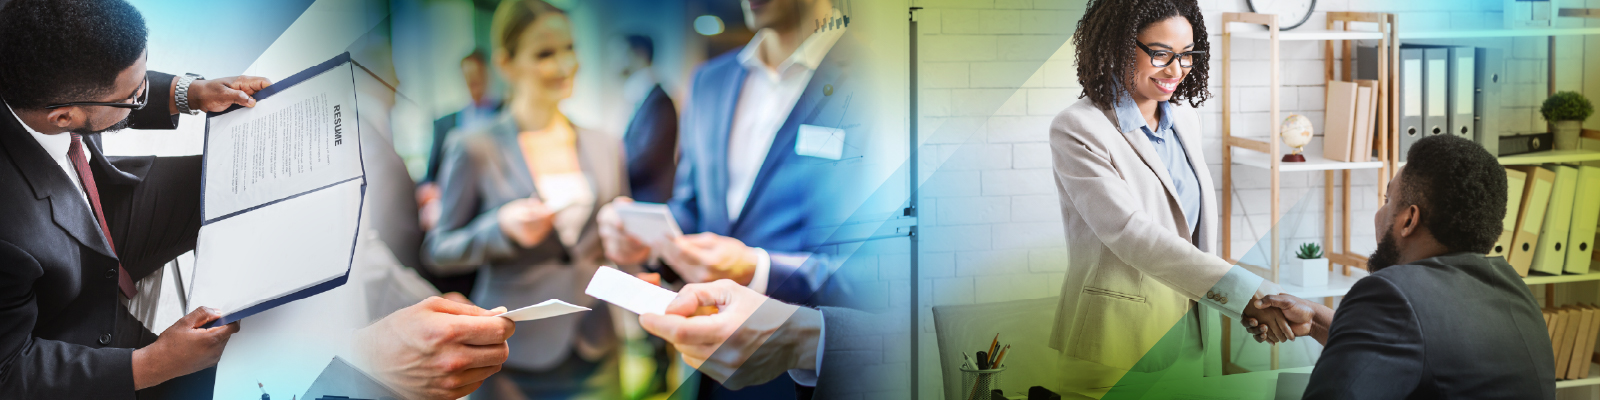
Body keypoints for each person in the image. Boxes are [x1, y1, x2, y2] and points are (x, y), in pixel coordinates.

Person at [0, 1, 518, 398]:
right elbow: (9, 371)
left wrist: (189, 93)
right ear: (63, 117)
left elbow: (102, 81)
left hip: (104, 206)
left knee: (233, 177)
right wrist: (153, 362)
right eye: (132, 97)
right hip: (61, 306)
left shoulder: (29, 51)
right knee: (202, 382)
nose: (142, 97)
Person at [597, 0, 875, 397]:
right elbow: (692, 210)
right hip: (704, 363)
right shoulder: (709, 81)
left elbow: (889, 268)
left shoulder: (884, 80)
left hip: (810, 367)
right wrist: (647, 235)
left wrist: (757, 267)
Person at [1045, 0, 1290, 394]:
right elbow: (1130, 233)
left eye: (1187, 55)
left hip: (1190, 339)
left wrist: (1238, 302)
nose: (1176, 70)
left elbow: (1190, 235)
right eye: (1160, 54)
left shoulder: (1185, 121)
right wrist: (1242, 293)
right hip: (1115, 347)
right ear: (1118, 45)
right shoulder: (1078, 128)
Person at [1241, 135, 1555, 399]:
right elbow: (1428, 345)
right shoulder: (1515, 292)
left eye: (1387, 199)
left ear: (1408, 220)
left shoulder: (1391, 292)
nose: (1379, 213)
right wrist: (1317, 319)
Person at [422, 1, 627, 398]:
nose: (565, 64)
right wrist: (498, 228)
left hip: (595, 343)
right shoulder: (474, 146)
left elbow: (616, 242)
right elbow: (439, 249)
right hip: (511, 352)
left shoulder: (606, 145)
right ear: (507, 64)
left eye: (570, 48)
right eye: (545, 53)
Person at [416, 50, 504, 296]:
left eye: (478, 77)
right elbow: (430, 176)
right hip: (455, 213)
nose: (474, 84)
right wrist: (431, 199)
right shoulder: (445, 123)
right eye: (469, 78)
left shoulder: (506, 115)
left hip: (490, 213)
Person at [615, 34, 679, 204]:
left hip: (651, 199)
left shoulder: (660, 101)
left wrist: (612, 174)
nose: (614, 60)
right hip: (640, 195)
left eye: (619, 53)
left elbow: (647, 159)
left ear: (639, 54)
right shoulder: (638, 95)